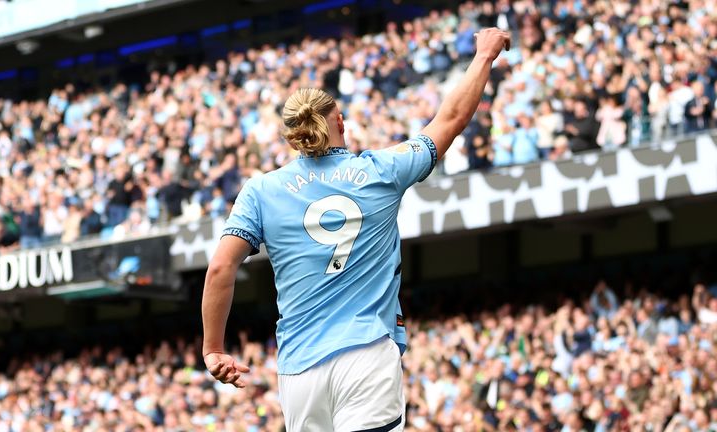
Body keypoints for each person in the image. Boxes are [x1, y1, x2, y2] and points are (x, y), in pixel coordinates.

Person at [200, 28, 510, 431]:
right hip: (366, 354)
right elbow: (450, 118)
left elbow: (221, 269)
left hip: (298, 370)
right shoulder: (380, 171)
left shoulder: (261, 191)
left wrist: (213, 349)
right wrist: (484, 55)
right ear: (340, 122)